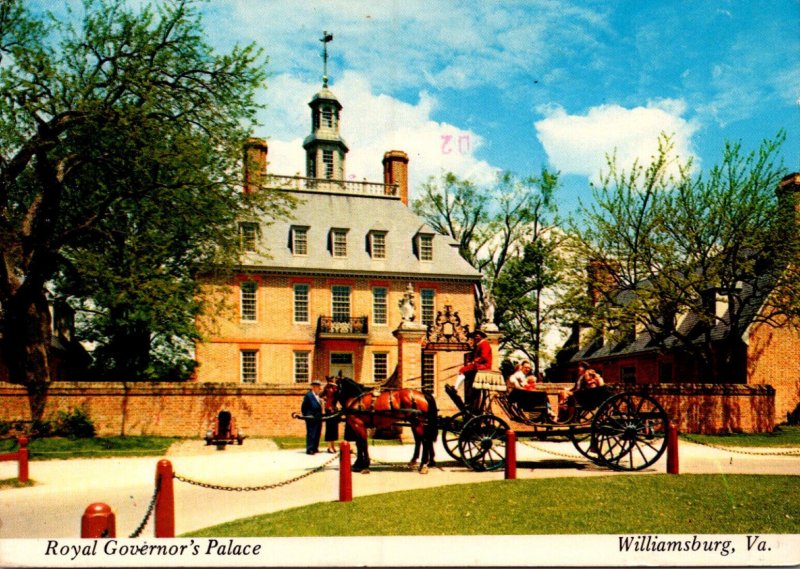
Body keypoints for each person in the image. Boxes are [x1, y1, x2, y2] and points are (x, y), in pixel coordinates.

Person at [455, 330, 492, 410]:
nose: (476, 337)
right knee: (464, 371)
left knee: (462, 370)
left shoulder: (484, 344)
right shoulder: (478, 345)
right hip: (479, 365)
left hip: (484, 366)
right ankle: (468, 397)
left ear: (481, 336)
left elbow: (484, 357)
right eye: (475, 336)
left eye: (477, 335)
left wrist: (474, 361)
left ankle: (456, 388)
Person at [301, 379, 323, 454]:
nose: (319, 388)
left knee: (317, 433)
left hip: (318, 417)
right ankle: (309, 449)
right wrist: (307, 416)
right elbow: (303, 407)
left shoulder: (318, 396)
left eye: (319, 387)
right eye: (317, 387)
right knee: (311, 433)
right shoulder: (309, 395)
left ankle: (315, 448)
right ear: (313, 387)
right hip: (311, 417)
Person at [323, 376, 340, 453]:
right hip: (329, 410)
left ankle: (333, 445)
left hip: (334, 409)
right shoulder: (328, 389)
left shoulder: (335, 389)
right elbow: (324, 395)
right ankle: (329, 446)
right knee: (330, 429)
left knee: (334, 429)